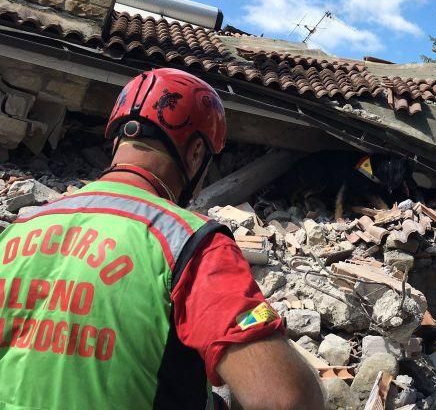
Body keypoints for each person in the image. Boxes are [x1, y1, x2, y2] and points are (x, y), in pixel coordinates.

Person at [0, 68, 324, 410]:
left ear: (117, 141)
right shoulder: (189, 241)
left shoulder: (19, 228)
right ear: (196, 153)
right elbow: (286, 400)